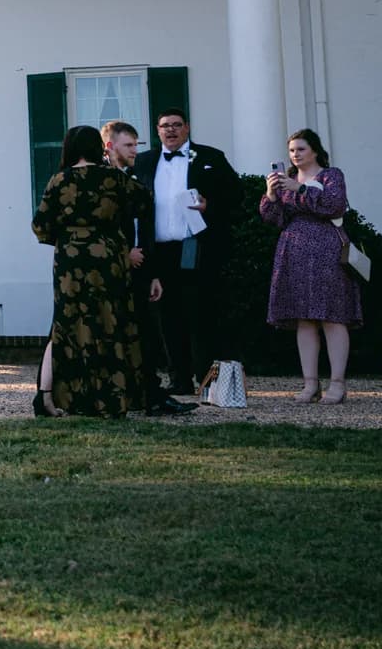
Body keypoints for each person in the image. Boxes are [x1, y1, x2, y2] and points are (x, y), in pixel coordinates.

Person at [31, 126, 153, 418]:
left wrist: (67, 237)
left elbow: (40, 225)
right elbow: (144, 202)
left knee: (67, 325)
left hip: (71, 259)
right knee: (111, 320)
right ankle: (113, 398)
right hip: (109, 255)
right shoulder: (114, 179)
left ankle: (50, 398)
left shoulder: (59, 180)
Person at [132, 108, 240, 399]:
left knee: (201, 313)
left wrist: (210, 205)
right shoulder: (144, 161)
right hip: (159, 251)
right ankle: (179, 379)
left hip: (196, 247)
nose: (171, 130)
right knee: (167, 317)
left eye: (176, 125)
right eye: (165, 126)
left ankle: (209, 382)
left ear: (187, 128)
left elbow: (237, 195)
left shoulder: (210, 158)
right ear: (157, 131)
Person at [262, 129, 359, 405]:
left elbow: (335, 206)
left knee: (331, 315)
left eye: (301, 149)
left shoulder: (331, 175)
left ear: (314, 150)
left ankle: (337, 383)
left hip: (327, 250)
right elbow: (272, 219)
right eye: (292, 150)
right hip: (293, 252)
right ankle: (310, 384)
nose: (295, 155)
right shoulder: (286, 180)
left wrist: (301, 189)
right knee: (304, 318)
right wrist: (271, 195)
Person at [103, 119, 174, 411]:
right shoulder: (101, 181)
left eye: (136, 144)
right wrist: (124, 252)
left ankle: (150, 396)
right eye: (129, 145)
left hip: (141, 268)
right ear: (110, 146)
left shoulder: (135, 178)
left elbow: (144, 225)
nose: (135, 150)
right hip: (114, 270)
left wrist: (152, 272)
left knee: (146, 334)